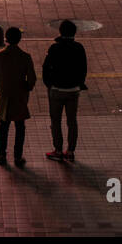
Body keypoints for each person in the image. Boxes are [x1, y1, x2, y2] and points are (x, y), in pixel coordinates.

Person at [0, 26, 36, 166]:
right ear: (19, 39)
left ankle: (2, 154)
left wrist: (0, 87)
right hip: (20, 96)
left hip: (4, 95)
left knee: (3, 126)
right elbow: (32, 79)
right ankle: (17, 156)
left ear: (6, 38)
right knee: (20, 127)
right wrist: (26, 89)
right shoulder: (25, 57)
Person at [42, 20, 88, 161]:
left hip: (56, 89)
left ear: (60, 31)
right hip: (73, 90)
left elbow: (45, 68)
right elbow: (83, 69)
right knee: (72, 121)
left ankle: (58, 150)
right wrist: (79, 83)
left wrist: (49, 84)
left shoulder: (54, 48)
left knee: (56, 121)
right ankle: (70, 151)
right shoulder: (79, 48)